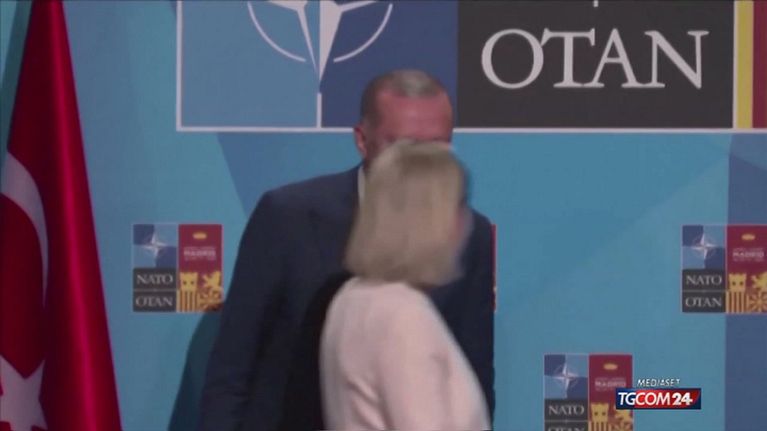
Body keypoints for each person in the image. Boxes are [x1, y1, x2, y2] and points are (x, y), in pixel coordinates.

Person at [199, 69, 494, 431]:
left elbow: (474, 368)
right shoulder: (288, 217)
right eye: (405, 147)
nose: (421, 166)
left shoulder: (473, 234)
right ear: (362, 140)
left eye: (437, 147)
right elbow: (232, 369)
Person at [321, 140, 490, 430]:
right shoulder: (403, 317)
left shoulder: (351, 297)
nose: (468, 221)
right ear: (435, 218)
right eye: (459, 205)